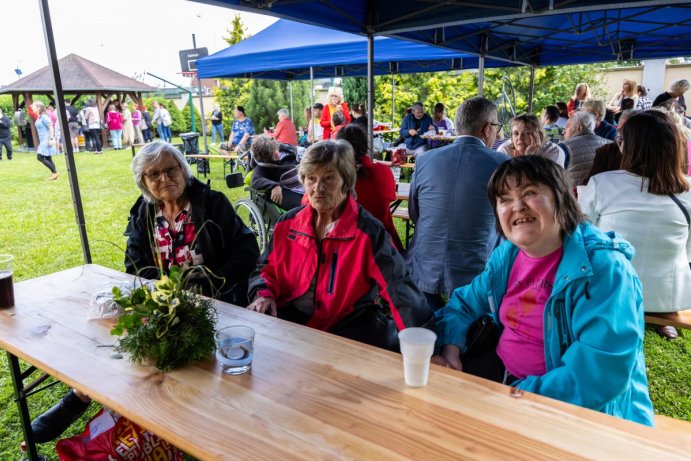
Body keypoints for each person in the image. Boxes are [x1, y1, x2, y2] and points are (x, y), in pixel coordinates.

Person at [433, 155, 654, 426]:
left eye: (530, 193)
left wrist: (516, 397)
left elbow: (599, 374)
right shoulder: (509, 256)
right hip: (504, 373)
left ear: (561, 199)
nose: (517, 206)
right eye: (504, 199)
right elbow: (465, 303)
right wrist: (451, 346)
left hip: (576, 407)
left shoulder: (603, 268)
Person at [247, 140, 434, 350]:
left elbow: (398, 286)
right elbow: (265, 269)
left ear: (346, 181)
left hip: (347, 327)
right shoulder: (287, 225)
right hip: (292, 323)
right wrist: (264, 294)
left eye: (328, 178)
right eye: (311, 179)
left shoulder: (367, 232)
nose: (318, 188)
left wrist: (423, 346)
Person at [579, 110, 691, 340]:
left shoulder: (603, 182)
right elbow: (688, 250)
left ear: (631, 146)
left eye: (622, 139)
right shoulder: (688, 190)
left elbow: (581, 236)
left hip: (611, 290)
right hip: (669, 296)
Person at [407, 97, 509, 309]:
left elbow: (415, 213)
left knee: (427, 328)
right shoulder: (503, 165)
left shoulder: (424, 159)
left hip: (424, 263)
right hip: (476, 269)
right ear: (486, 128)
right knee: (470, 334)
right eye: (496, 127)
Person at [337, 123, 404, 252]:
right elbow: (391, 196)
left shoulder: (335, 179)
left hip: (349, 248)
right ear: (365, 146)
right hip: (385, 245)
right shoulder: (383, 171)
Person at [250, 135, 303, 210]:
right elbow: (255, 180)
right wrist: (274, 186)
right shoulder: (262, 166)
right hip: (288, 189)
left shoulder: (290, 150)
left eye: (275, 152)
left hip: (304, 181)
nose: (275, 157)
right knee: (304, 208)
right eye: (271, 157)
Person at [560, 111, 610, 186]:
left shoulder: (565, 146)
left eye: (566, 127)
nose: (563, 132)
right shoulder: (609, 144)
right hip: (600, 193)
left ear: (579, 127)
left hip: (571, 194)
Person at [584, 109, 634, 182]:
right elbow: (591, 180)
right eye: (619, 130)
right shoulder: (606, 151)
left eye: (627, 131)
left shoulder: (648, 157)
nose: (621, 136)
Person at [497, 114, 565, 167]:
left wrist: (529, 157)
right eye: (516, 133)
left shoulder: (553, 152)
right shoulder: (504, 150)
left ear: (539, 135)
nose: (520, 138)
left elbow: (545, 183)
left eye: (526, 133)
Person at [31, 101, 60, 179]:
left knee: (39, 157)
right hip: (43, 138)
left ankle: (55, 172)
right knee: (48, 157)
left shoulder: (44, 116)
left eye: (34, 107)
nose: (32, 108)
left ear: (39, 108)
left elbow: (51, 127)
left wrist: (51, 138)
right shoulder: (39, 116)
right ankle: (54, 175)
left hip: (47, 138)